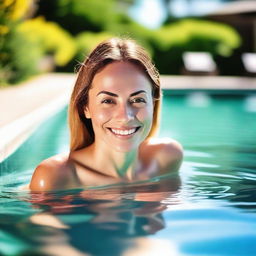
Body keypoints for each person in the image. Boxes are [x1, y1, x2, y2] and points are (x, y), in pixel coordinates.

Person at [29, 37, 183, 191]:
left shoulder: (166, 157)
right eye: (108, 101)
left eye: (137, 99)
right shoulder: (55, 177)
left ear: (153, 103)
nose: (125, 117)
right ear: (85, 107)